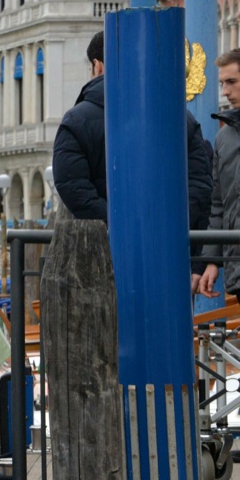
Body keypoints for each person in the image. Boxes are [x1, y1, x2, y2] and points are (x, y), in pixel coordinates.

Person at [52, 31, 213, 290]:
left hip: (102, 255)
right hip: (167, 252)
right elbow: (200, 187)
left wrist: (117, 223)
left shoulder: (75, 121)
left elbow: (72, 188)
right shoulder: (182, 118)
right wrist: (166, 226)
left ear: (97, 65)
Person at [197, 50, 240, 299]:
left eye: (232, 82)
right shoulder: (223, 137)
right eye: (222, 83)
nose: (225, 91)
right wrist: (212, 261)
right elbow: (219, 205)